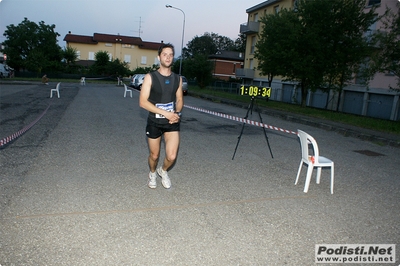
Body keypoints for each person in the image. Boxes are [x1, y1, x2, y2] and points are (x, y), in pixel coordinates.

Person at [139, 43, 184, 189]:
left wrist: (176, 113)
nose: (168, 57)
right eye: (165, 54)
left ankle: (162, 171)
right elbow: (143, 102)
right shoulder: (150, 77)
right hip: (154, 121)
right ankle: (152, 173)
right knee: (154, 155)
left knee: (171, 156)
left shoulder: (177, 79)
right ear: (159, 57)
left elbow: (179, 100)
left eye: (171, 54)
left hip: (171, 123)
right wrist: (166, 113)